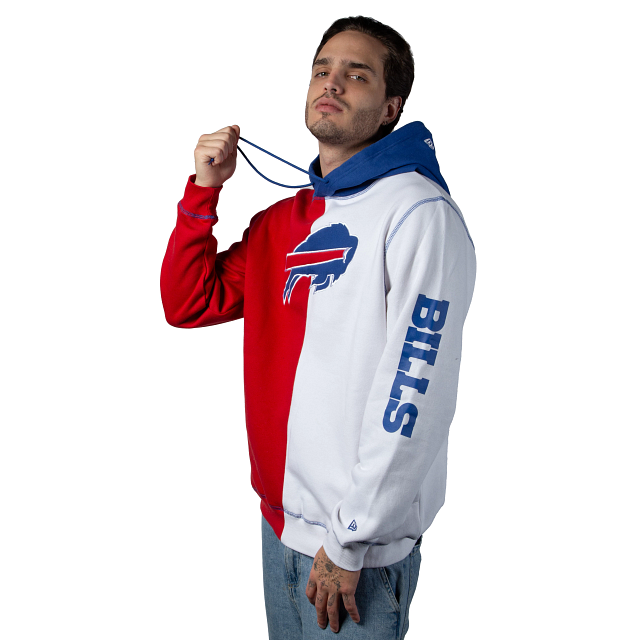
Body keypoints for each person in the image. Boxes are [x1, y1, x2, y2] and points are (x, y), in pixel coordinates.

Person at [161, 15, 476, 639]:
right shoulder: (282, 221)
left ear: (391, 107)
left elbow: (416, 388)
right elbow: (187, 302)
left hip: (355, 552)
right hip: (278, 525)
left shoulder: (419, 213)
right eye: (322, 70)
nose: (331, 83)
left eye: (357, 75)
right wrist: (203, 192)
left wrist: (350, 537)